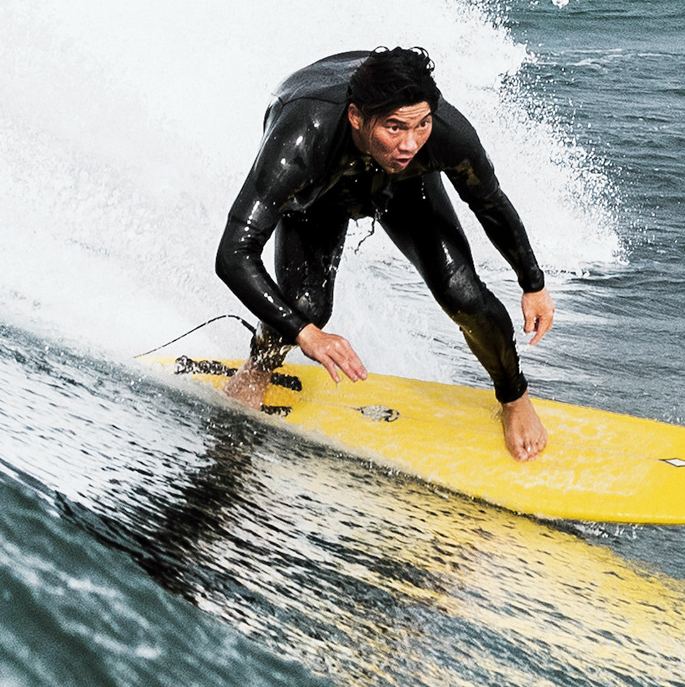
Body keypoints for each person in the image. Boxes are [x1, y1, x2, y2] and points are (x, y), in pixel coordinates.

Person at [212, 46, 558, 462]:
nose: (409, 143)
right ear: (358, 117)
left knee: (463, 294)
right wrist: (307, 333)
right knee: (307, 308)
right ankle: (258, 368)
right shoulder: (302, 138)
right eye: (394, 128)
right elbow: (233, 253)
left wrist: (532, 283)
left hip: (403, 186)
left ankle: (515, 398)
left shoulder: (440, 134)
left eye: (421, 125)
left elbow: (490, 203)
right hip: (318, 191)